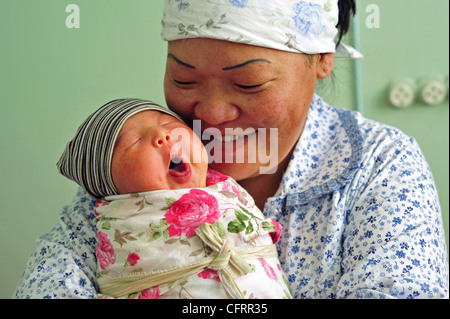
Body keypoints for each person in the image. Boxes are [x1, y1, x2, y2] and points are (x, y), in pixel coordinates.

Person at [14, 0, 448, 299]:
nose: (213, 114)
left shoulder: (378, 164)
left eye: (249, 84)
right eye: (184, 80)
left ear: (321, 59)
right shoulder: (138, 164)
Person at [56, 98, 291, 299]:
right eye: (133, 142)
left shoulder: (227, 188)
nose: (163, 135)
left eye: (169, 124)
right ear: (111, 187)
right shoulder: (119, 219)